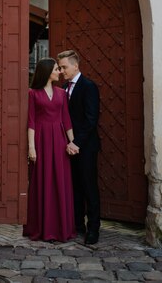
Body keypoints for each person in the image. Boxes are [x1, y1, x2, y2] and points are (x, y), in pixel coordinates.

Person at [23, 58, 77, 242]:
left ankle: (60, 228)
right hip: (41, 141)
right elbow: (31, 122)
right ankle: (41, 228)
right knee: (42, 182)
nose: (60, 72)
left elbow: (67, 120)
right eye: (56, 69)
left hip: (59, 142)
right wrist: (31, 148)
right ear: (47, 72)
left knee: (60, 182)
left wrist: (73, 143)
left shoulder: (62, 93)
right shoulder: (33, 94)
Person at [57, 50, 101, 245]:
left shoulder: (88, 86)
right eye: (59, 67)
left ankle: (93, 229)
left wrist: (77, 143)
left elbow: (91, 120)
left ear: (76, 66)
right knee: (74, 188)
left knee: (89, 188)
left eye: (64, 67)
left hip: (86, 147)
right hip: (69, 147)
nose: (61, 70)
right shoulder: (64, 88)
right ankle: (77, 225)